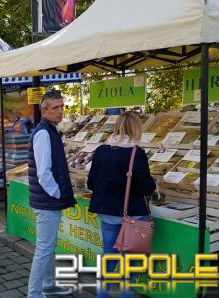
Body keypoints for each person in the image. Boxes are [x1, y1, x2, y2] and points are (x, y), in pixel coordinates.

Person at [87, 111, 156, 298]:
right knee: (130, 263)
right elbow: (146, 186)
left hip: (107, 212)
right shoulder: (136, 153)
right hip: (131, 214)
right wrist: (154, 184)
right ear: (136, 128)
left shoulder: (101, 150)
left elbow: (91, 183)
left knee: (109, 257)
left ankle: (102, 295)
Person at [27, 91, 76, 298]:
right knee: (44, 250)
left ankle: (48, 285)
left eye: (61, 106)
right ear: (43, 110)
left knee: (47, 247)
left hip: (47, 200)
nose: (60, 111)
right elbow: (43, 172)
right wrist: (56, 194)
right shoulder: (44, 133)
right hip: (47, 201)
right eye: (55, 107)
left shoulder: (51, 130)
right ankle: (34, 293)